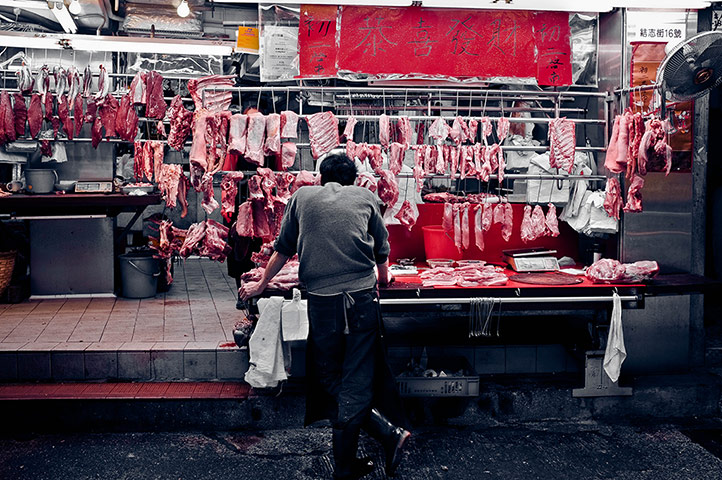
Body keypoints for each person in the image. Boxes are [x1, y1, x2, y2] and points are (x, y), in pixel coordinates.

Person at [240, 153, 411, 480]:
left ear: (321, 177)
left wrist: (262, 284)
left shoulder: (302, 197)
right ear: (353, 179)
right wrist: (385, 279)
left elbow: (284, 248)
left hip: (323, 302)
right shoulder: (366, 196)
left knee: (329, 376)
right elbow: (381, 253)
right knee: (357, 378)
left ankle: (349, 464)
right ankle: (386, 435)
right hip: (361, 301)